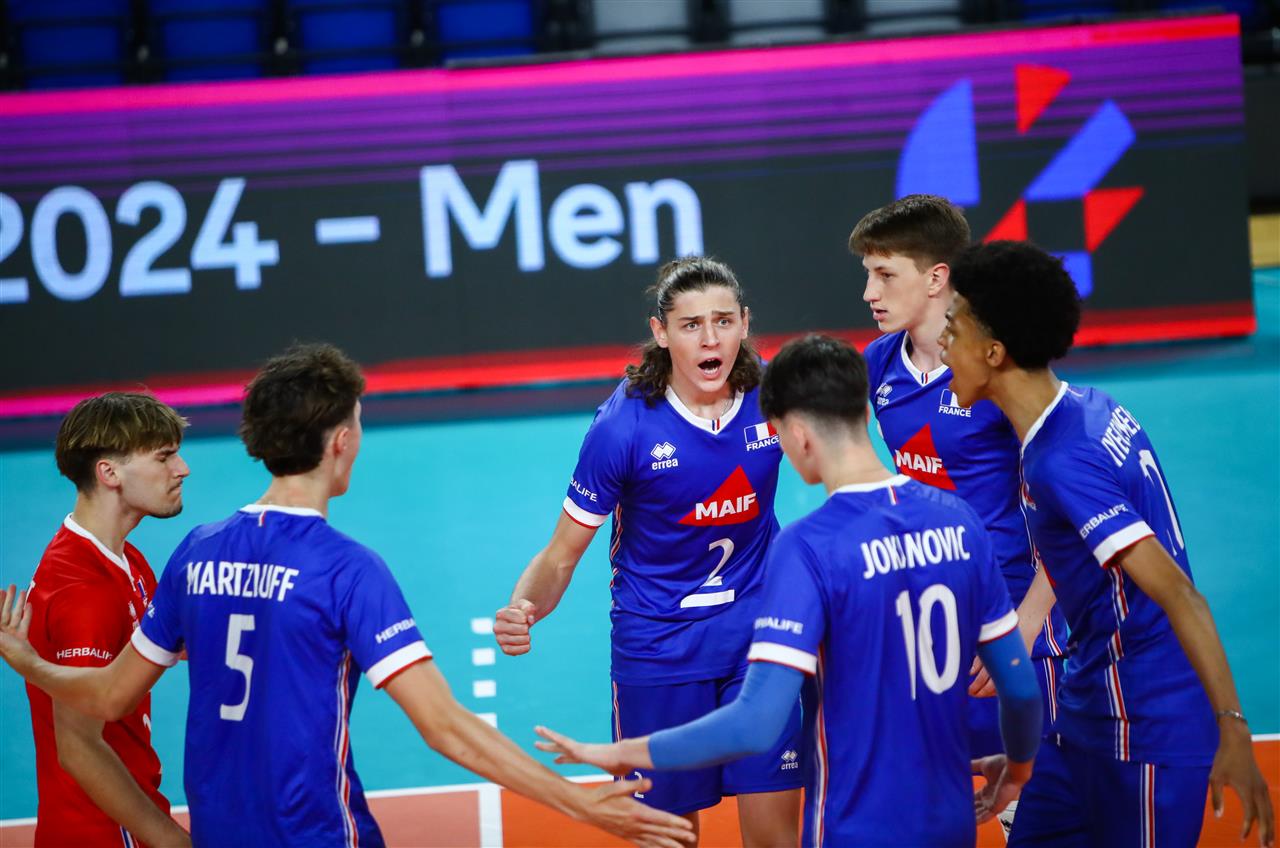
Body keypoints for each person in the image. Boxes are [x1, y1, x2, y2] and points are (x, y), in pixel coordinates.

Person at [0, 343, 692, 848]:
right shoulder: (346, 571)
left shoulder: (195, 553)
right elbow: (444, 726)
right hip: (317, 834)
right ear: (339, 441)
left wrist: (28, 662)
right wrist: (578, 802)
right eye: (356, 422)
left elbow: (108, 696)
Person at [533, 334, 1045, 847]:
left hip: (853, 828)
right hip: (949, 825)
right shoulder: (960, 521)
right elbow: (1021, 690)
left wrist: (626, 752)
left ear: (796, 435)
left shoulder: (808, 548)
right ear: (864, 412)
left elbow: (756, 723)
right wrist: (1018, 768)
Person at [940, 240, 1275, 848]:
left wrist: (1232, 728)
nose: (942, 343)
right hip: (1085, 715)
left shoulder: (1062, 461)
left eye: (953, 328)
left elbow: (1179, 594)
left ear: (993, 351)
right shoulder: (1086, 409)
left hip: (1144, 725)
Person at [493, 257, 802, 846]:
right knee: (668, 836)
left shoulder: (774, 396)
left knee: (775, 837)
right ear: (661, 332)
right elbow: (561, 554)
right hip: (660, 649)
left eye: (723, 321)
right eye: (691, 325)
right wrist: (524, 606)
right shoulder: (623, 427)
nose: (710, 339)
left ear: (744, 324)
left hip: (760, 635)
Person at [851, 195, 1068, 775]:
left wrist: (1027, 622)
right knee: (941, 792)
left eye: (885, 275)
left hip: (1012, 611)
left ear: (935, 278)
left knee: (1031, 796)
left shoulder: (1001, 363)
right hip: (930, 609)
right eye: (868, 275)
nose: (869, 293)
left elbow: (1067, 509)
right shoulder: (879, 362)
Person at [25, 392, 192, 847]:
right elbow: (79, 747)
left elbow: (174, 643)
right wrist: (170, 840)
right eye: (164, 457)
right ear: (109, 473)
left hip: (121, 817)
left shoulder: (125, 560)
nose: (182, 469)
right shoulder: (84, 591)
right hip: (104, 831)